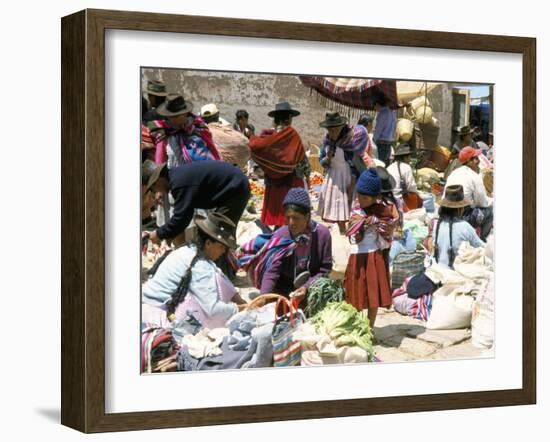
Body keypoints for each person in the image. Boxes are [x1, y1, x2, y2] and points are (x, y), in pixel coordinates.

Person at [142, 211, 247, 331]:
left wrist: (238, 299)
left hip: (146, 303)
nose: (223, 252)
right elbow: (213, 309)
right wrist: (239, 308)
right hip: (157, 316)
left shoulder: (187, 250)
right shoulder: (200, 266)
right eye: (221, 247)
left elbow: (218, 273)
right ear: (208, 243)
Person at [144, 160, 250, 246]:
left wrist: (159, 234)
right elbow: (182, 218)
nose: (157, 192)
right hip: (232, 186)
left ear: (157, 181)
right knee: (213, 235)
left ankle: (222, 269)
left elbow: (182, 218)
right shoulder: (176, 177)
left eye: (153, 189)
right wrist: (168, 234)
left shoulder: (179, 184)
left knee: (217, 236)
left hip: (235, 188)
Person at [344, 169, 399, 328]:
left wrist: (374, 221)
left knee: (373, 294)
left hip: (374, 256)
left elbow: (389, 230)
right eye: (359, 195)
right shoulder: (356, 209)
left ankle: (370, 327)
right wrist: (361, 225)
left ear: (376, 197)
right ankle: (356, 326)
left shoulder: (384, 211)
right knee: (355, 293)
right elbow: (353, 232)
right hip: (357, 256)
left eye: (365, 197)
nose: (360, 200)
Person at [260, 188, 333, 306]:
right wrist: (263, 298)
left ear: (308, 216)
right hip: (284, 289)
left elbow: (324, 269)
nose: (291, 222)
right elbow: (272, 271)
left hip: (312, 286)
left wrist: (306, 287)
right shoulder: (281, 236)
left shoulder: (322, 234)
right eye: (287, 217)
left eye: (296, 217)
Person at [248, 101, 310, 228]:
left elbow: (257, 147)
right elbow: (302, 158)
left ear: (275, 120)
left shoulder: (268, 137)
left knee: (278, 214)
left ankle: (277, 233)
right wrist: (307, 175)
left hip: (273, 182)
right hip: (291, 181)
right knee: (289, 211)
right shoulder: (292, 135)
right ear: (289, 118)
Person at [317, 112, 369, 234]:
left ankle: (352, 233)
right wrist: (327, 159)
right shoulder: (326, 141)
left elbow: (355, 164)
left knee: (350, 207)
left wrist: (352, 183)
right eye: (330, 130)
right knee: (337, 208)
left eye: (336, 129)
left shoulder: (350, 141)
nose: (333, 133)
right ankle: (342, 233)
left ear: (341, 127)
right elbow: (322, 160)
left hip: (347, 177)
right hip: (333, 178)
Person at [147, 94, 221, 169]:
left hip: (206, 169)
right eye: (170, 116)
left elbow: (211, 147)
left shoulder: (198, 126)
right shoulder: (163, 132)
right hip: (179, 175)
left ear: (185, 113)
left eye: (176, 116)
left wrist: (219, 165)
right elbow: (160, 160)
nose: (172, 119)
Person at [426, 185, 485, 268]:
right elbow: (482, 248)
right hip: (454, 273)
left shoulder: (437, 224)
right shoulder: (465, 227)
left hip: (436, 269)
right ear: (459, 209)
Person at [445, 147, 493, 240]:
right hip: (463, 216)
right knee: (490, 212)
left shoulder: (454, 173)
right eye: (476, 159)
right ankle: (482, 240)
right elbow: (483, 203)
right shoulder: (474, 176)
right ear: (469, 161)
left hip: (447, 214)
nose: (478, 161)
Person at [386, 143, 423, 211]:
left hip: (388, 198)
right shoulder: (406, 167)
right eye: (409, 157)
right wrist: (420, 195)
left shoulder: (389, 167)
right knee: (416, 196)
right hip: (400, 200)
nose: (410, 159)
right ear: (405, 157)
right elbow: (411, 187)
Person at [372, 93, 396, 166]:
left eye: (374, 106)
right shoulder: (392, 112)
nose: (375, 109)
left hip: (381, 145)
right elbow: (394, 128)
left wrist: (372, 140)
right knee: (385, 166)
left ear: (377, 104)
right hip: (388, 144)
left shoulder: (382, 114)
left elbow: (377, 131)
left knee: (379, 166)